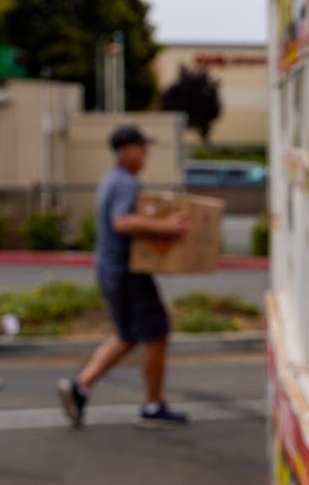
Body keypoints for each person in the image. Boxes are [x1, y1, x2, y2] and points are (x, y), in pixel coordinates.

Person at [57, 125, 190, 429]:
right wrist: (165, 227)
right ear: (126, 150)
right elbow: (122, 222)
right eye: (142, 148)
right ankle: (153, 407)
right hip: (127, 273)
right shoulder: (126, 183)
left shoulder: (110, 180)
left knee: (128, 335)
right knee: (156, 332)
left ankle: (80, 388)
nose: (146, 154)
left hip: (110, 270)